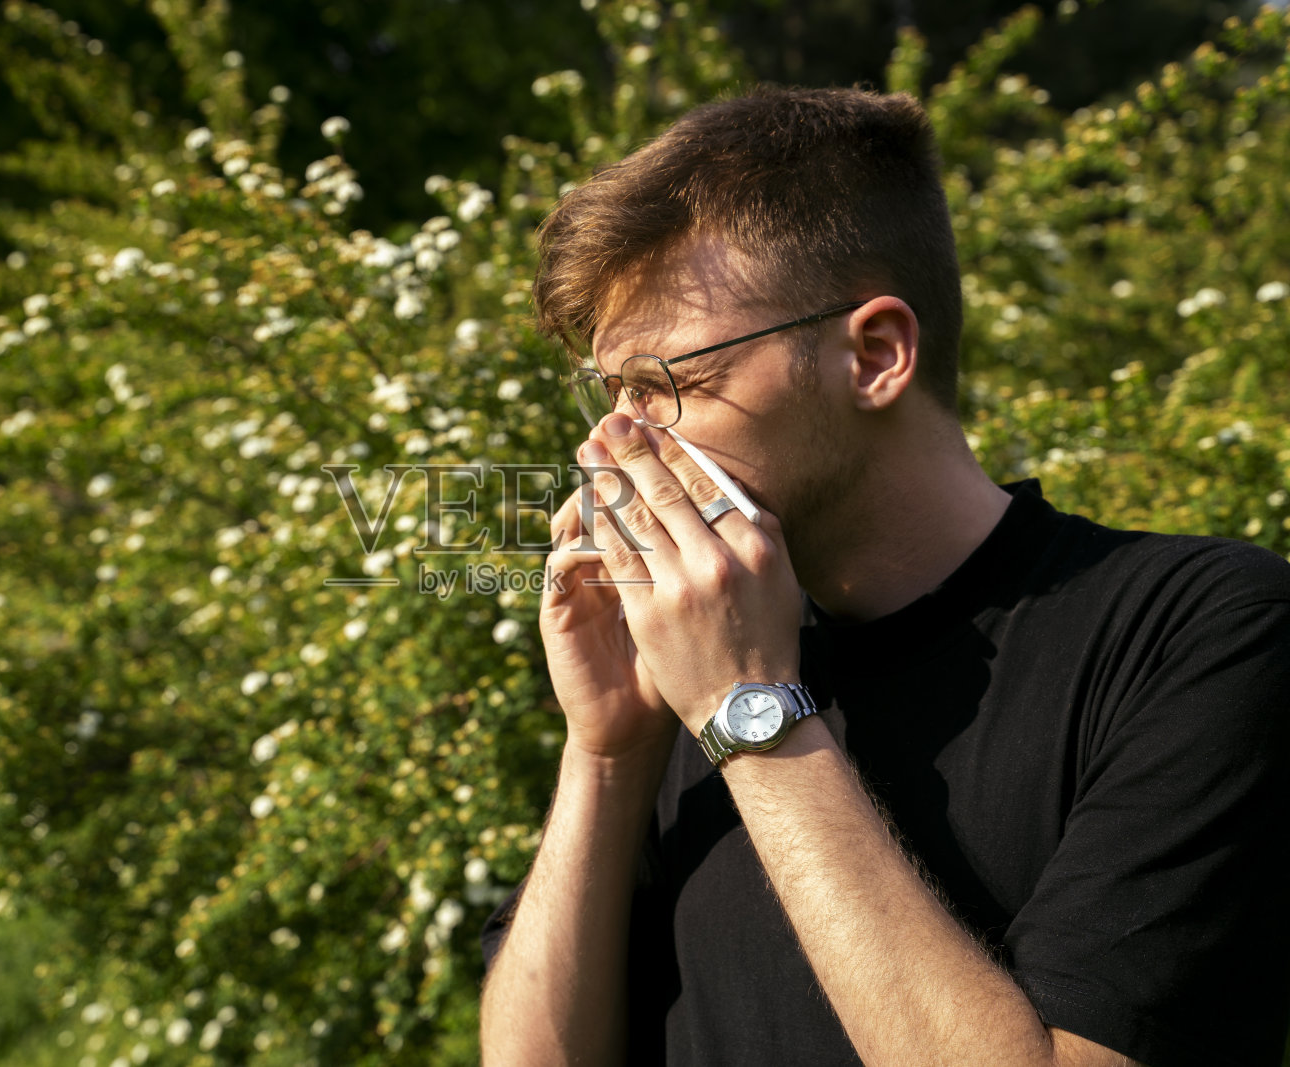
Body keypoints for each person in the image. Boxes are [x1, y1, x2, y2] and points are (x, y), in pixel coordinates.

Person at [478, 86, 1290, 1066]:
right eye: (610, 395)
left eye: (666, 387)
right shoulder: (683, 674)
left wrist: (750, 706)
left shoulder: (1196, 629)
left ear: (874, 354)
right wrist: (607, 752)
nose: (614, 441)